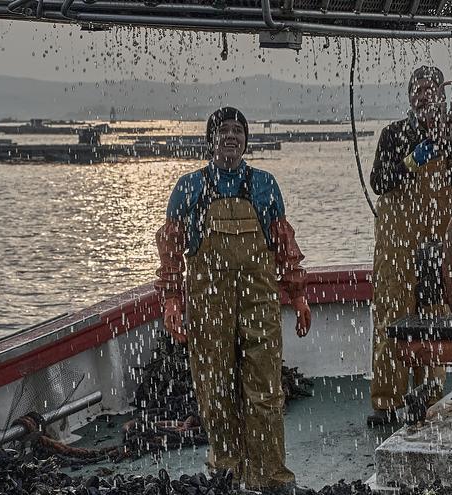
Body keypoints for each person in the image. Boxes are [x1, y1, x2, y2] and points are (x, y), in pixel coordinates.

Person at [155, 107, 313, 494]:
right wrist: (172, 301)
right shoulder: (188, 188)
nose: (231, 137)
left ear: (246, 140)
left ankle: (271, 476)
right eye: (223, 131)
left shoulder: (265, 185)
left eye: (238, 131)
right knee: (216, 389)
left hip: (259, 300)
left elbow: (284, 247)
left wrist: (298, 294)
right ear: (210, 140)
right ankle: (227, 471)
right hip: (209, 302)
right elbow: (172, 252)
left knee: (265, 391)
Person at [367, 66, 452, 427]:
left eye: (430, 89)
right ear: (410, 97)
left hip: (438, 243)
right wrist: (412, 160)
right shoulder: (393, 134)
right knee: (392, 315)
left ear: (441, 94)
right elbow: (379, 181)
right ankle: (387, 402)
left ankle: (429, 397)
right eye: (417, 90)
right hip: (397, 244)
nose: (423, 95)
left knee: (436, 314)